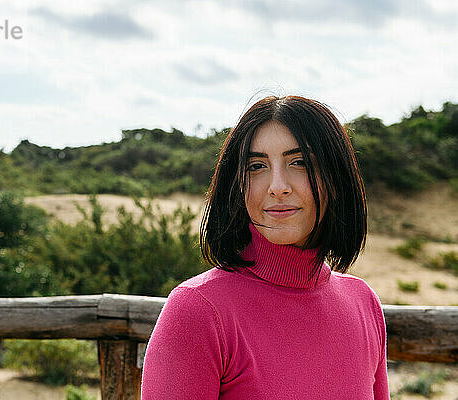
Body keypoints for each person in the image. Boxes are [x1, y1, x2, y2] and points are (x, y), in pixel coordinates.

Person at [141, 95, 390, 399]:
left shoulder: (363, 303)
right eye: (256, 166)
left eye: (298, 162)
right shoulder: (197, 311)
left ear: (335, 178)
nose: (277, 186)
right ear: (238, 185)